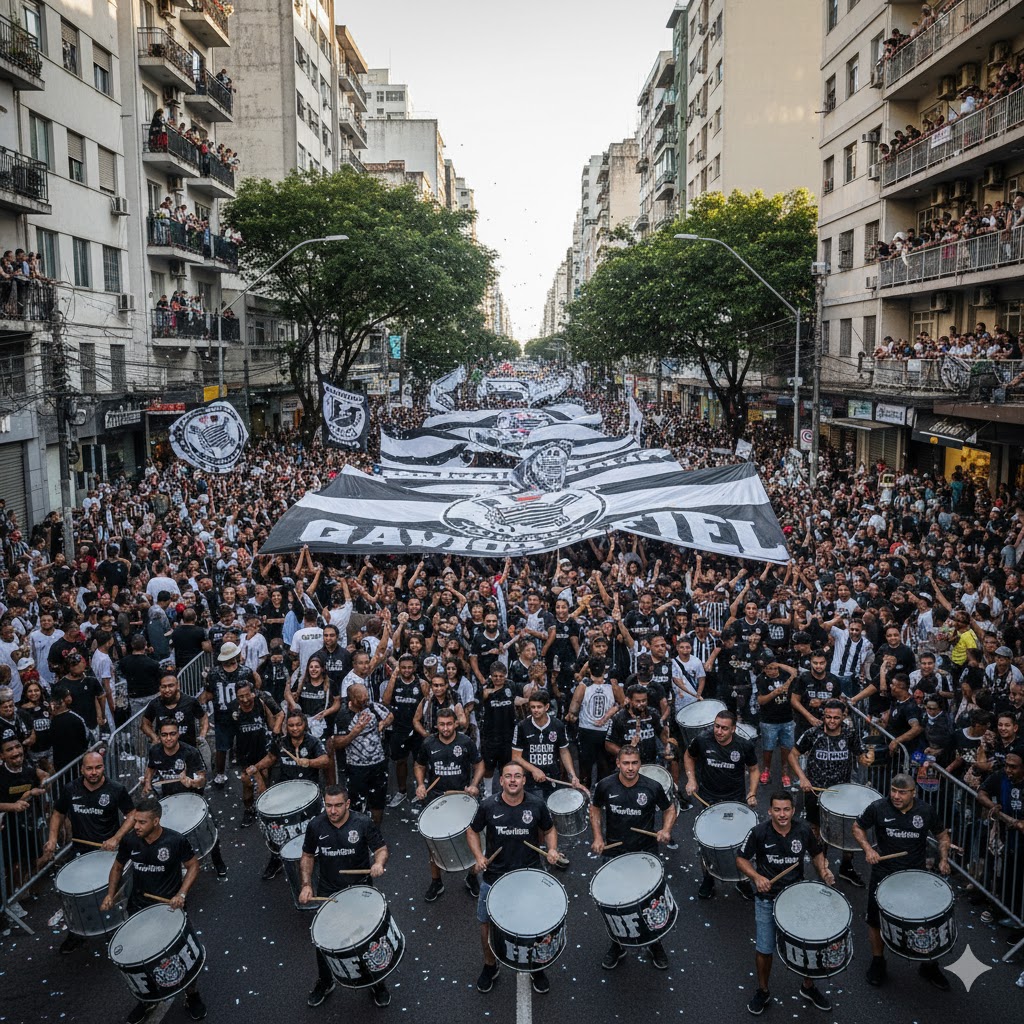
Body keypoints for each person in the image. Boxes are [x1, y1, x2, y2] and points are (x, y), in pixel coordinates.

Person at [100, 796, 206, 1023]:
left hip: (169, 910)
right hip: (139, 909)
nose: (135, 826)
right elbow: (117, 868)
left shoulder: (175, 841)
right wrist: (110, 894)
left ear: (156, 821)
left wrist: (182, 894)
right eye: (135, 821)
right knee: (142, 957)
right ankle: (148, 1000)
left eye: (141, 822)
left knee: (182, 955)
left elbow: (193, 865)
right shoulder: (130, 842)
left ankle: (192, 994)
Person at [736, 791, 836, 1014]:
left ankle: (808, 986)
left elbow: (817, 853)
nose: (782, 814)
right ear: (770, 811)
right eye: (777, 810)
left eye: (786, 809)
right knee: (764, 948)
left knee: (807, 944)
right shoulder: (758, 832)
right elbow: (741, 859)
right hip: (767, 899)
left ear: (793, 811)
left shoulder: (803, 831)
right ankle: (763, 991)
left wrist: (824, 870)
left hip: (796, 897)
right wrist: (757, 877)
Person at [466, 762, 561, 995]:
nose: (512, 780)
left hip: (528, 875)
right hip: (495, 876)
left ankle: (537, 967)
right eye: (508, 776)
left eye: (517, 776)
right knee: (486, 924)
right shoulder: (488, 806)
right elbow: (472, 830)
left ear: (524, 780)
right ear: (501, 781)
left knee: (536, 925)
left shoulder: (536, 804)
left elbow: (549, 830)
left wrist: (552, 849)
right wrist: (478, 856)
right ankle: (490, 966)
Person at [852, 773, 952, 990]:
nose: (896, 796)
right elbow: (857, 827)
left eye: (902, 792)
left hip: (915, 875)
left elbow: (943, 835)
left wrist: (943, 858)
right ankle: (878, 961)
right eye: (893, 791)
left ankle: (929, 964)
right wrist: (868, 849)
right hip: (884, 873)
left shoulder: (925, 811)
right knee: (875, 920)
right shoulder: (878, 808)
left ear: (913, 793)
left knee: (924, 920)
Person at [299, 784, 390, 1009]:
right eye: (328, 806)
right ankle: (325, 981)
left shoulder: (363, 823)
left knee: (366, 939)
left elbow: (381, 849)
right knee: (323, 940)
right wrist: (306, 884)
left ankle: (376, 982)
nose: (332, 811)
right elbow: (308, 855)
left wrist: (378, 863)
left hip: (360, 890)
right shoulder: (316, 825)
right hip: (329, 891)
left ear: (347, 804)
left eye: (338, 805)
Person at [590, 745, 676, 970]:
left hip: (644, 853)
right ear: (618, 763)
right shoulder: (605, 786)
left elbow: (669, 809)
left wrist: (666, 830)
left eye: (634, 763)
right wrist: (598, 837)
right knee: (615, 904)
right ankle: (617, 945)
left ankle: (655, 943)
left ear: (640, 764)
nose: (630, 768)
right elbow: (595, 808)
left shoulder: (652, 787)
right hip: (614, 853)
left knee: (649, 902)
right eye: (626, 763)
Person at [43, 750, 136, 951]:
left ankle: (123, 929)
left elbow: (132, 814)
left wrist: (116, 838)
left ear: (103, 767)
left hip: (108, 853)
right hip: (81, 851)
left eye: (98, 767)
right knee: (77, 898)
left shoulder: (116, 789)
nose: (94, 772)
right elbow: (58, 813)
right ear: (82, 769)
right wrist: (52, 839)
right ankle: (77, 934)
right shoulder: (70, 789)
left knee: (116, 893)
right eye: (89, 768)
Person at [788, 699, 871, 886]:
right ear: (823, 716)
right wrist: (802, 777)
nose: (832, 721)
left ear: (843, 717)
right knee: (817, 829)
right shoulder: (812, 733)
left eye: (836, 717)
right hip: (816, 791)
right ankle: (822, 867)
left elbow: (861, 756)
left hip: (842, 792)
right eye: (828, 717)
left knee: (847, 829)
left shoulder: (850, 734)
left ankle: (846, 867)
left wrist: (867, 759)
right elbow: (792, 755)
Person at [683, 708, 759, 899]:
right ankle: (708, 879)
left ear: (733, 729)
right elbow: (688, 756)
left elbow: (755, 769)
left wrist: (752, 792)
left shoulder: (744, 745)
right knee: (707, 844)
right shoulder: (702, 739)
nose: (719, 731)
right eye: (716, 726)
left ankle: (742, 880)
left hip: (736, 801)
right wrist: (691, 779)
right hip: (709, 800)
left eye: (724, 728)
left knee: (739, 844)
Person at [142, 717, 227, 878]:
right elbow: (151, 767)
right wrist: (147, 782)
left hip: (192, 799)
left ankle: (218, 861)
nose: (169, 738)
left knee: (210, 830)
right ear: (159, 735)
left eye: (172, 734)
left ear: (178, 733)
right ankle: (176, 871)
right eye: (165, 735)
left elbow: (203, 778)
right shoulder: (155, 751)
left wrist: (192, 782)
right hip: (169, 801)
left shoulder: (190, 752)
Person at [0, 736, 48, 918]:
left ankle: (19, 890)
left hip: (27, 825)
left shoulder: (28, 769)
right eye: (9, 750)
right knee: (11, 866)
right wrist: (12, 806)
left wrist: (44, 777)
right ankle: (10, 900)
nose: (16, 752)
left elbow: (42, 776)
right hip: (7, 829)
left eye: (17, 747)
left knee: (30, 860)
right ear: (2, 756)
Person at [332, 683, 393, 825]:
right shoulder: (343, 715)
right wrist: (355, 732)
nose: (365, 703)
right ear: (352, 699)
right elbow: (337, 743)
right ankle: (359, 832)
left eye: (367, 699)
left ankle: (375, 831)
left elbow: (390, 716)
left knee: (378, 801)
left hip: (378, 764)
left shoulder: (371, 706)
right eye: (361, 701)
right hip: (356, 767)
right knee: (356, 803)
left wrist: (382, 724)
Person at [381, 655, 427, 806]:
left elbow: (429, 705)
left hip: (417, 730)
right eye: (403, 667)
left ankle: (420, 792)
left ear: (414, 668)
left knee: (419, 762)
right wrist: (394, 676)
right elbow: (386, 701)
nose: (406, 670)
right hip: (398, 729)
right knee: (400, 762)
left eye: (409, 667)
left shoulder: (422, 684)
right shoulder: (394, 682)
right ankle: (401, 792)